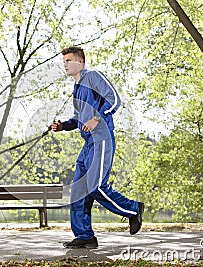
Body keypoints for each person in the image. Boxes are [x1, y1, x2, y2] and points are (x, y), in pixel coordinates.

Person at [51, 46, 144, 249]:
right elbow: (77, 119)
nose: (65, 64)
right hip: (88, 144)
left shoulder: (93, 77)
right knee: (78, 191)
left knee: (95, 186)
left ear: (80, 62)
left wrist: (96, 119)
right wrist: (63, 126)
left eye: (68, 60)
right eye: (64, 61)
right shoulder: (76, 88)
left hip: (102, 139)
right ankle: (85, 235)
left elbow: (114, 100)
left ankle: (133, 209)